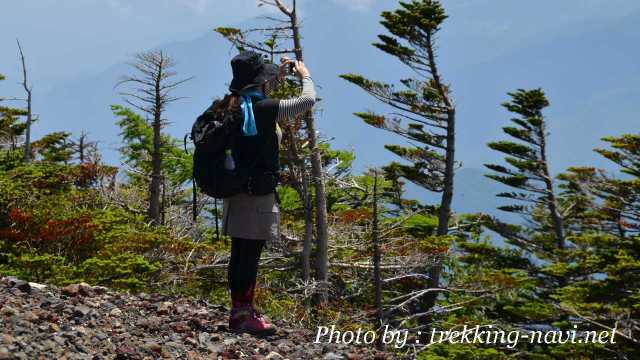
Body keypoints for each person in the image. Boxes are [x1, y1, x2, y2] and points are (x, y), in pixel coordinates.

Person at [214, 51, 316, 335]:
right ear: (260, 83)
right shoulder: (263, 109)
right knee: (250, 254)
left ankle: (240, 309)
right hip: (257, 194)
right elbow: (306, 102)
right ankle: (243, 315)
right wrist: (304, 76)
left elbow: (264, 98)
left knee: (240, 252)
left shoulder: (231, 105)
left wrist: (279, 75)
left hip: (234, 191)